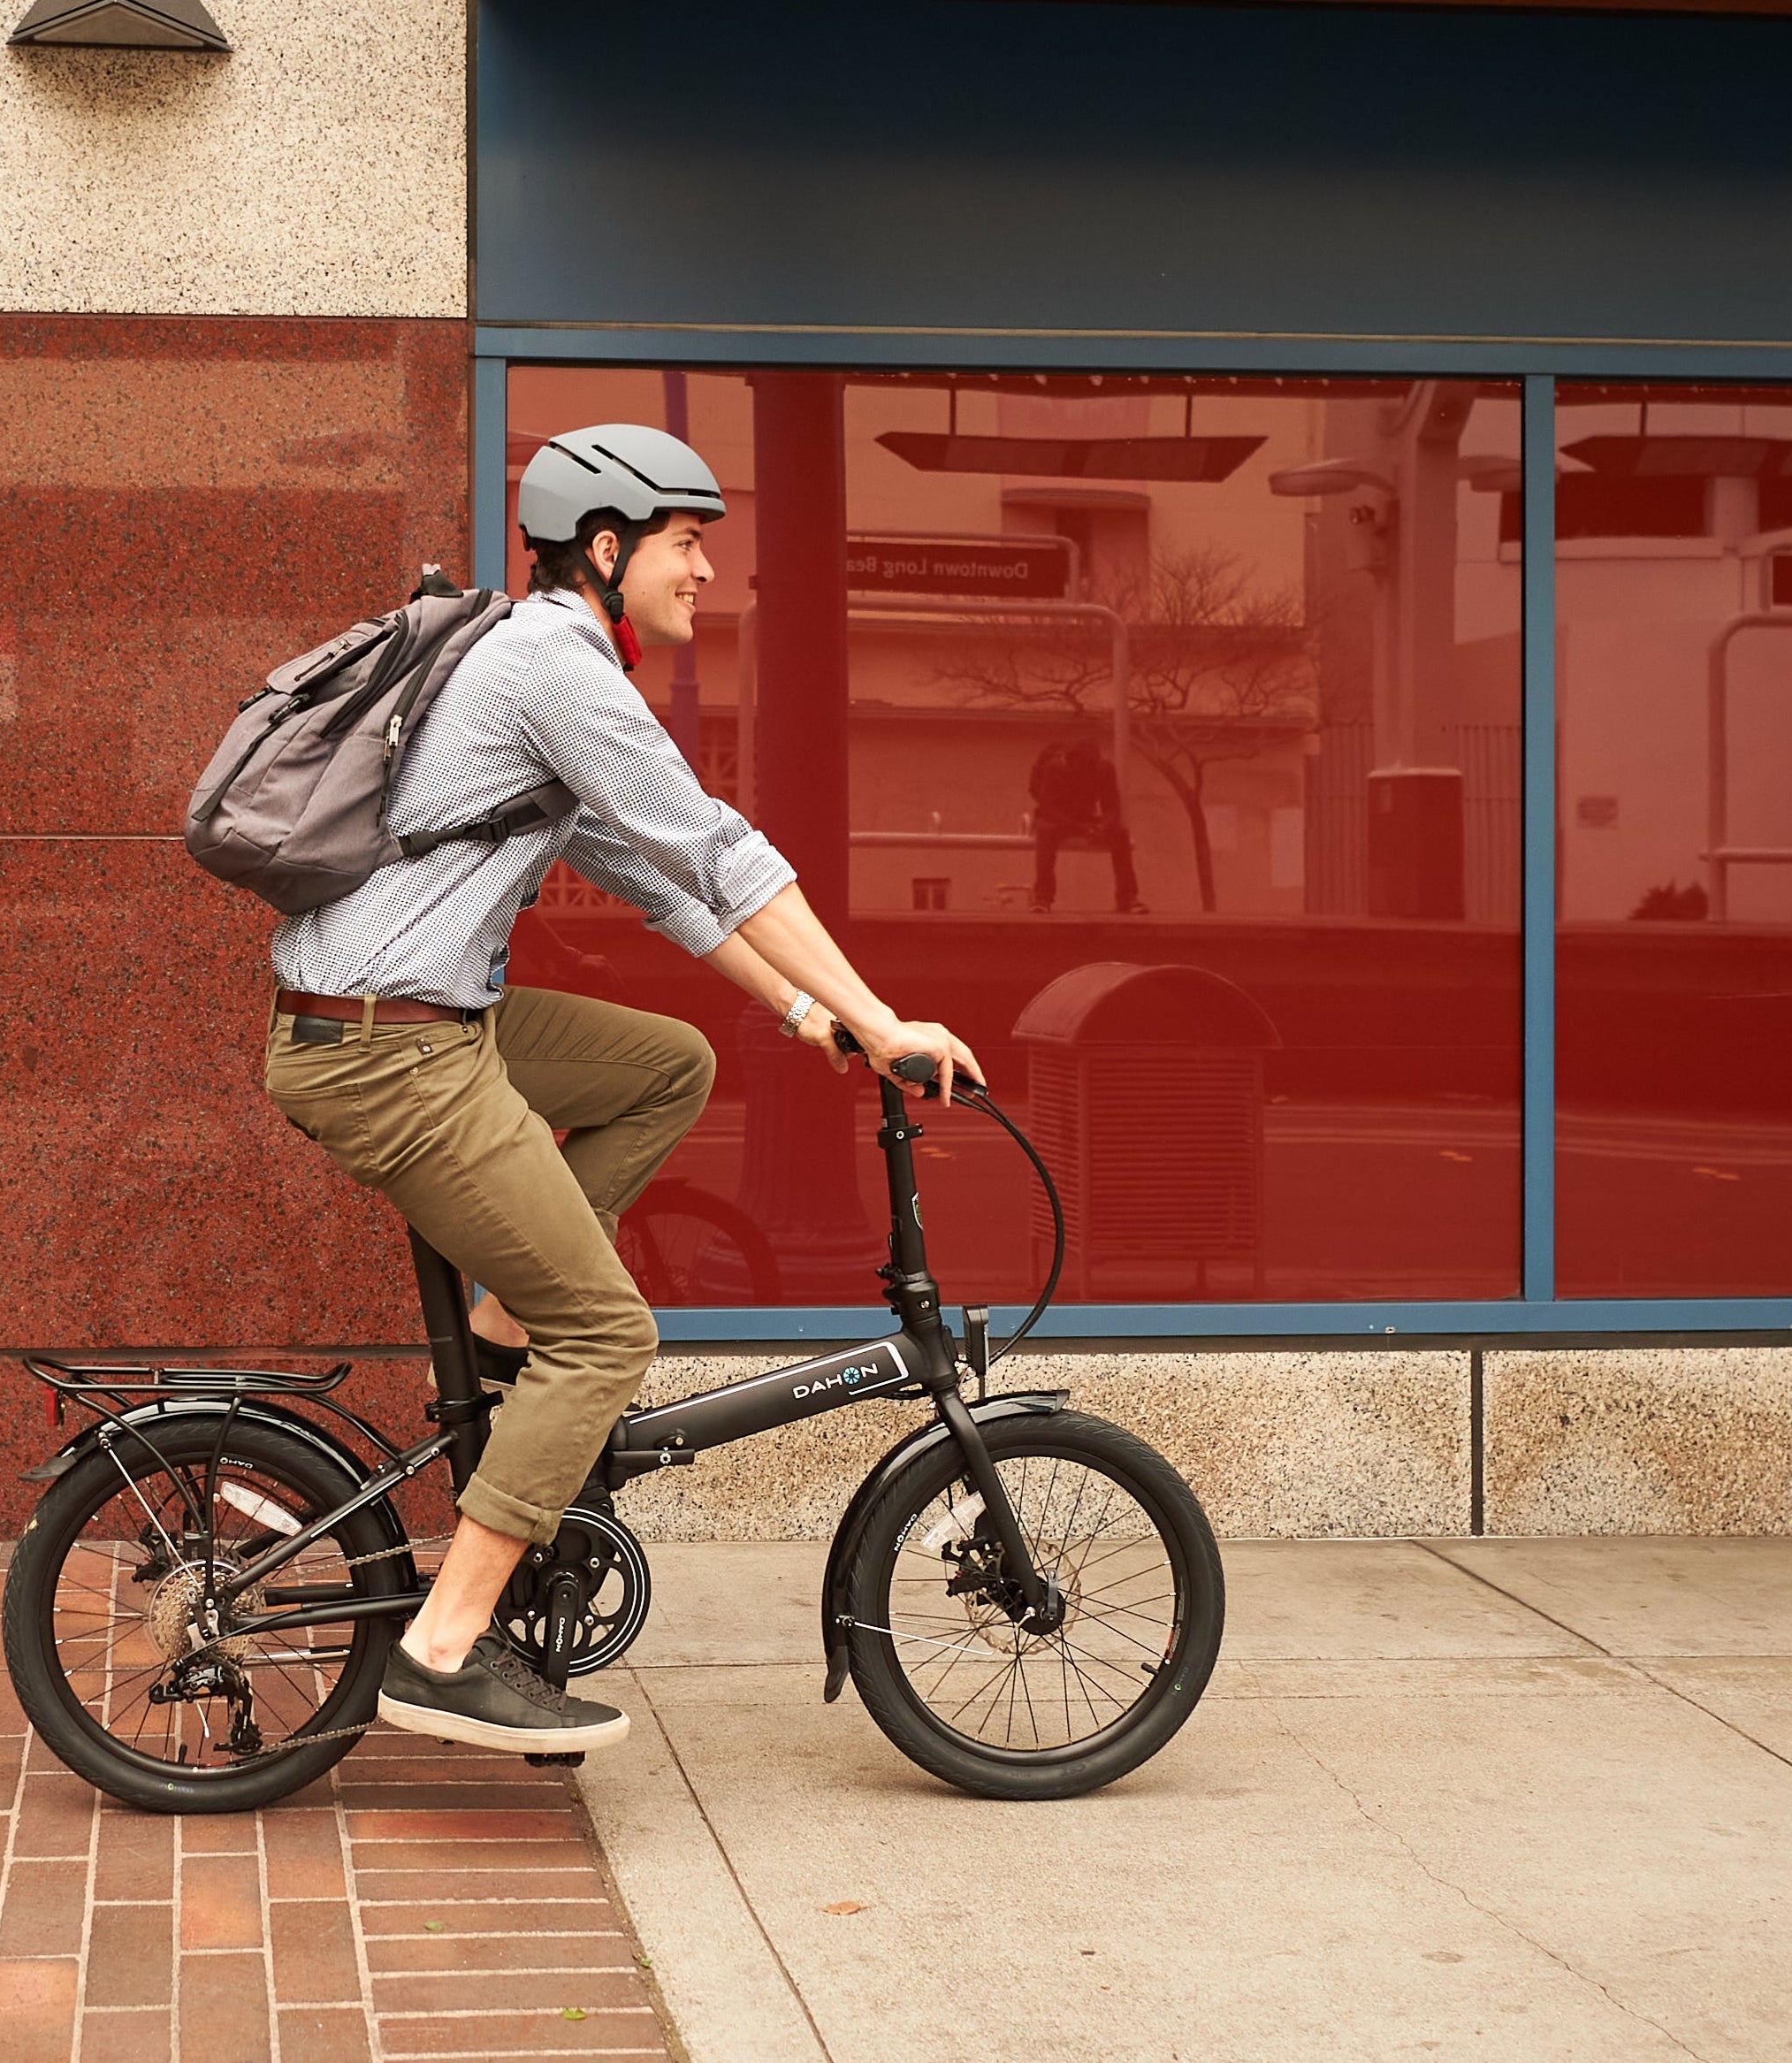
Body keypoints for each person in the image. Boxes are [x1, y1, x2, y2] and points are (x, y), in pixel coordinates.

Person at [263, 424, 985, 1754]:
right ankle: (440, 1647)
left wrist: (807, 1013)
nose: (708, 569)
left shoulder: (537, 666)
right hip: (389, 1046)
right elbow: (717, 845)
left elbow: (661, 881)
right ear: (605, 547)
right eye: (687, 541)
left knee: (667, 1064)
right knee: (606, 1333)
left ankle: (503, 1324)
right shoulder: (552, 663)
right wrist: (885, 1022)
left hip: (419, 1021)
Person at [1029, 730, 1145, 914]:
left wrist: (1103, 826)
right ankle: (1043, 897)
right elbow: (1049, 809)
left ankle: (1128, 897)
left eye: (1091, 765)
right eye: (1084, 765)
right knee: (1046, 832)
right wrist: (1082, 828)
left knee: (1120, 834)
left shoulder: (1103, 769)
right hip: (1056, 819)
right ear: (1072, 760)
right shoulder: (1054, 768)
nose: (1087, 769)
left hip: (1085, 819)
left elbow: (1112, 806)